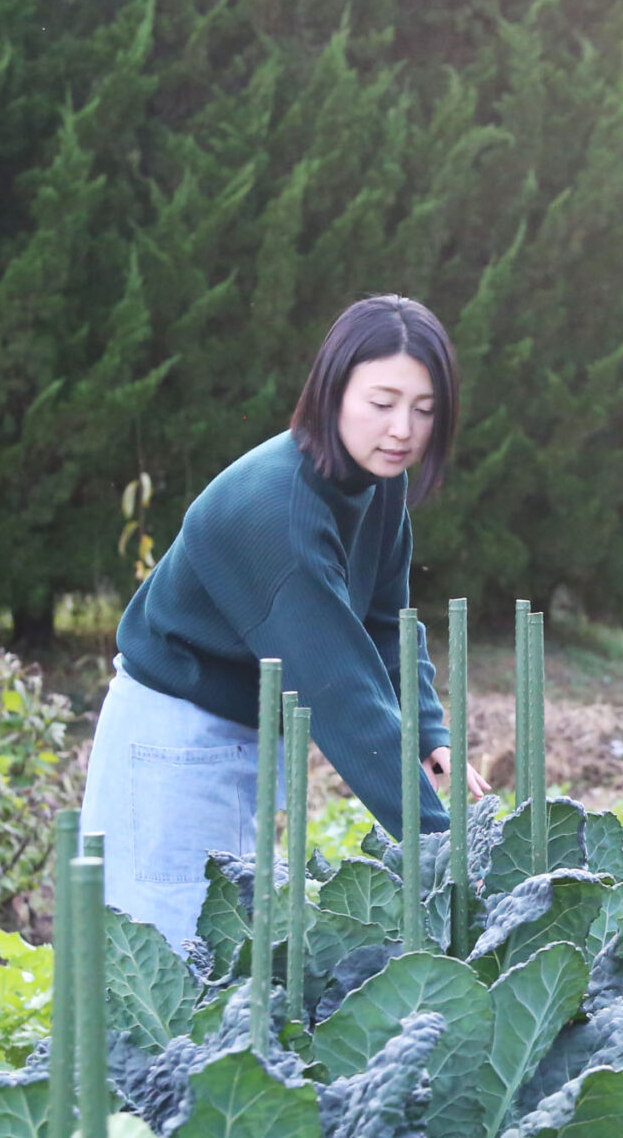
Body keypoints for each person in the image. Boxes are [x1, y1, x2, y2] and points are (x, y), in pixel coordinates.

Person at [80, 295, 491, 944]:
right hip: (175, 743)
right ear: (332, 391)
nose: (404, 430)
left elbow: (386, 621)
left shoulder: (375, 483)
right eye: (382, 403)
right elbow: (339, 693)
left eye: (425, 410)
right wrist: (446, 849)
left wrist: (429, 731)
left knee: (221, 959)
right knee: (168, 963)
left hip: (244, 732)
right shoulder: (276, 509)